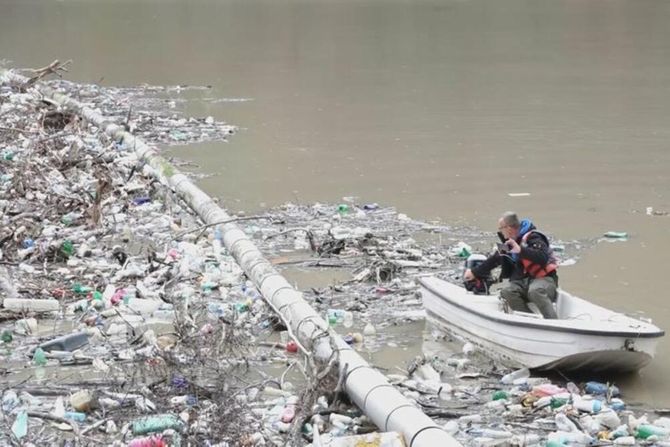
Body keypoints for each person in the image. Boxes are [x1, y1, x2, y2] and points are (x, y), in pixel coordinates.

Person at [463, 212, 559, 319]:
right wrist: (474, 272)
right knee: (507, 292)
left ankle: (554, 323)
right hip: (524, 282)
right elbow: (496, 258)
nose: (500, 232)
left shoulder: (534, 237)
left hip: (544, 279)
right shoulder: (509, 243)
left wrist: (520, 250)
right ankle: (530, 321)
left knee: (535, 291)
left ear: (508, 228)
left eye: (501, 228)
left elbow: (542, 257)